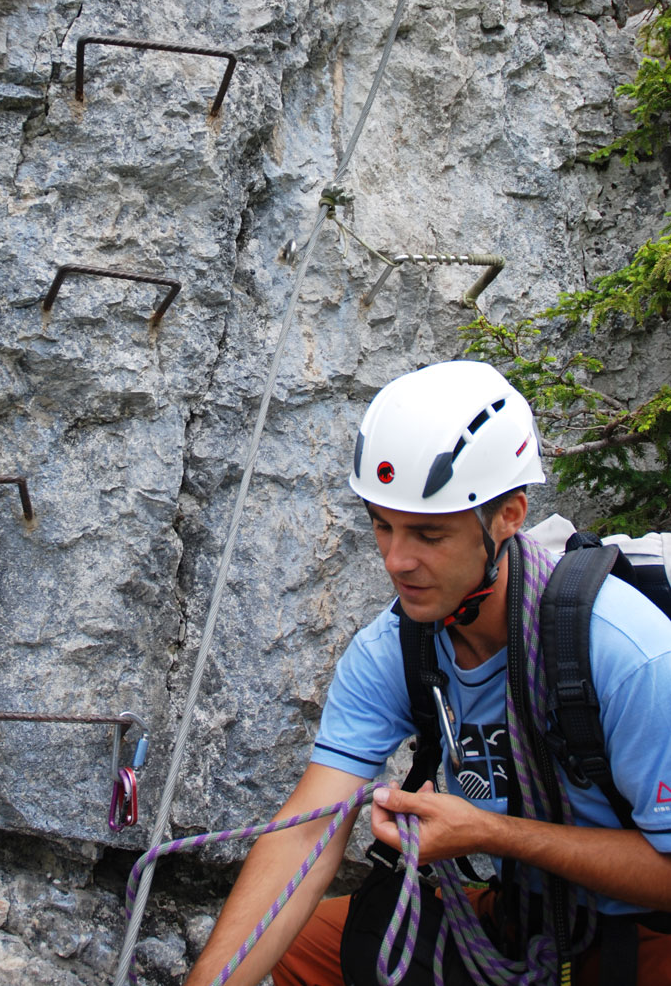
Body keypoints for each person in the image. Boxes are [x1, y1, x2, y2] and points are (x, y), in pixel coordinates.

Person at [184, 360, 671, 986]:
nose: (397, 560)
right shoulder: (395, 647)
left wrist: (496, 834)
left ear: (509, 516)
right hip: (527, 920)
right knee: (302, 949)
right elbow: (303, 837)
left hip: (644, 932)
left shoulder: (626, 652)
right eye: (381, 526)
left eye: (428, 534)